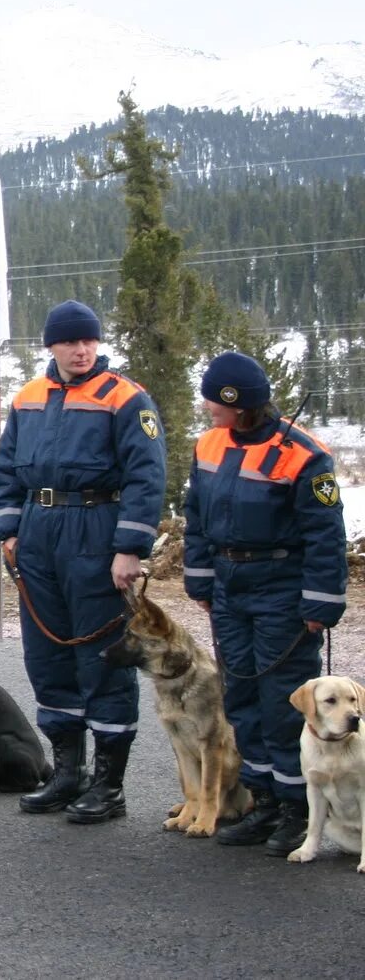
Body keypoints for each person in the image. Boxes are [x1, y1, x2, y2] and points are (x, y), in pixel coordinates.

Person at [0, 300, 165, 823]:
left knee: (102, 656)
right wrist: (9, 530)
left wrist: (129, 548)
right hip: (39, 531)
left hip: (97, 528)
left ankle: (109, 786)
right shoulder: (28, 398)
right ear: (52, 346)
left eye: (88, 340)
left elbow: (146, 476)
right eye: (70, 341)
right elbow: (5, 469)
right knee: (48, 654)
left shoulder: (126, 398)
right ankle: (68, 773)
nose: (81, 349)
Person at [184, 352, 347, 854]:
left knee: (281, 701)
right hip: (231, 586)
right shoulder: (209, 443)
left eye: (215, 399)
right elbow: (195, 517)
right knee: (243, 697)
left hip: (282, 589)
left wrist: (322, 603)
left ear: (238, 402)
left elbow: (325, 535)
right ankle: (264, 803)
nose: (208, 407)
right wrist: (202, 581)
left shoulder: (304, 455)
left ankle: (298, 809)